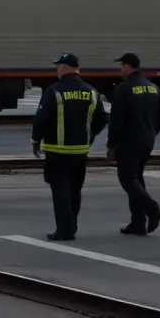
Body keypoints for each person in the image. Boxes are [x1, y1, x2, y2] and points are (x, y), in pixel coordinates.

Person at [31, 53, 108, 241]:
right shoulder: (91, 91)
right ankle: (72, 226)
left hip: (56, 151)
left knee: (60, 190)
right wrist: (89, 137)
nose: (57, 70)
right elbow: (102, 119)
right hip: (80, 151)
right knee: (75, 190)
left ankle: (64, 230)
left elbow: (41, 119)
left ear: (65, 68)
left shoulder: (54, 91)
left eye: (58, 66)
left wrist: (36, 141)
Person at [106, 52, 160, 236]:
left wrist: (111, 146)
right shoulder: (153, 87)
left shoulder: (123, 89)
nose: (120, 70)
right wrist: (150, 132)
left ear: (126, 66)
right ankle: (138, 223)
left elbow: (116, 120)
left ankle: (153, 209)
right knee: (137, 178)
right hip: (147, 140)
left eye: (121, 66)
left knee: (127, 179)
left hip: (128, 142)